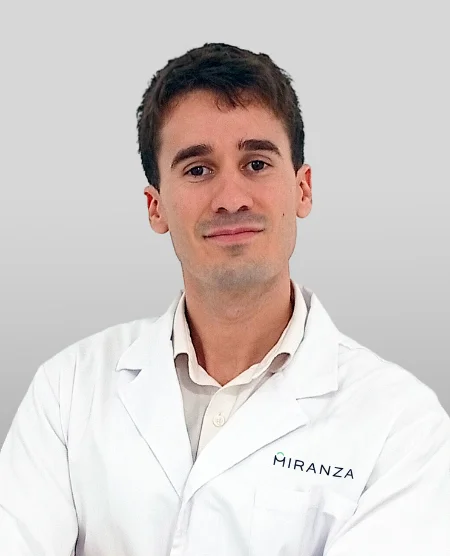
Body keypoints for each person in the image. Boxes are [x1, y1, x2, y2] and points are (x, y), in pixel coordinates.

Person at [0, 42, 449, 556]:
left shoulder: (401, 423)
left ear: (302, 189)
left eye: (256, 163)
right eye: (197, 169)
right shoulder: (68, 391)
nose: (231, 199)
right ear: (155, 206)